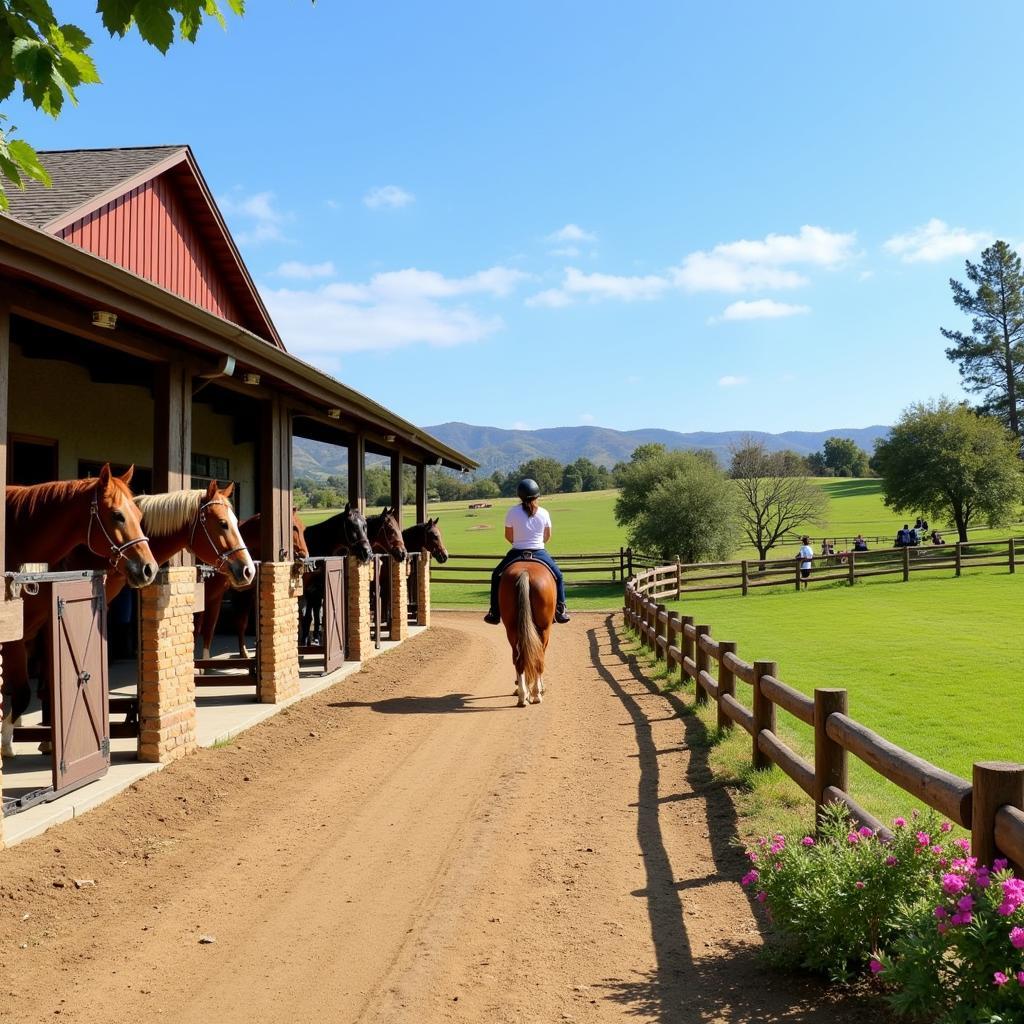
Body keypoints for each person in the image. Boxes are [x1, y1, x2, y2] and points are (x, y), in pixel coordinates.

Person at [483, 478, 570, 625]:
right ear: (537, 495)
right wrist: (538, 543)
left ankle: (494, 612)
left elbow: (508, 536)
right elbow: (547, 536)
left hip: (516, 552)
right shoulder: (544, 513)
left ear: (520, 496)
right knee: (559, 576)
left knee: (496, 575)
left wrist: (518, 543)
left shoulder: (512, 512)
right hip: (539, 552)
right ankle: (561, 610)